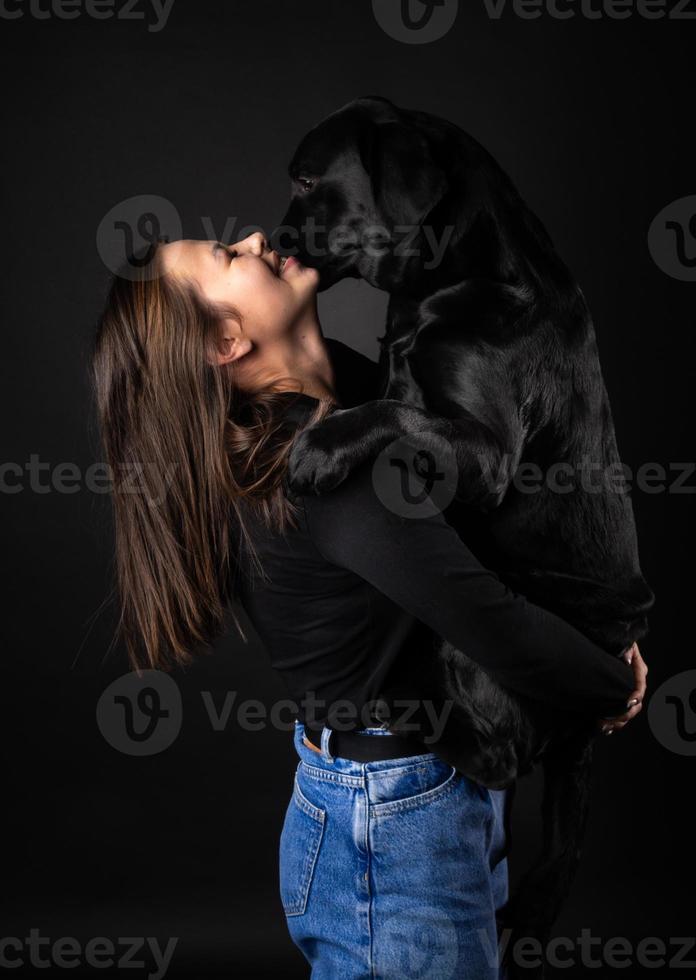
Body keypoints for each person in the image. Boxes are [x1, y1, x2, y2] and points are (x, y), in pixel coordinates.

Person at [91, 231, 647, 979]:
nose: (256, 238)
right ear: (225, 341)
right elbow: (489, 617)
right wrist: (611, 681)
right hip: (394, 820)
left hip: (424, 791)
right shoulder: (322, 476)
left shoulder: (350, 399)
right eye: (228, 254)